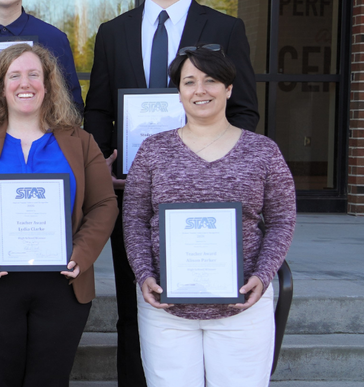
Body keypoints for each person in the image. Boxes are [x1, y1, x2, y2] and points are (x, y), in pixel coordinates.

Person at [82, 0, 260, 387]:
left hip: (210, 198)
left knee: (205, 305)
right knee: (134, 305)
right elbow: (97, 109)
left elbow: (244, 113)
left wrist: (218, 169)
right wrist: (104, 160)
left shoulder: (226, 28)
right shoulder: (112, 32)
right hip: (135, 196)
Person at [0, 43, 118, 387]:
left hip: (62, 284)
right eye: (15, 75)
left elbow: (103, 204)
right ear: (0, 84)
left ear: (49, 83)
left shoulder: (80, 141)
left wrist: (81, 254)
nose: (26, 83)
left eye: (34, 74)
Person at [122, 46, 295, 386]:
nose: (200, 90)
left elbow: (282, 219)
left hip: (242, 306)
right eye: (189, 82)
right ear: (179, 92)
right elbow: (134, 219)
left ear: (229, 88)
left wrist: (263, 273)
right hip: (166, 311)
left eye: (210, 80)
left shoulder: (262, 151)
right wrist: (143, 274)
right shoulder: (154, 149)